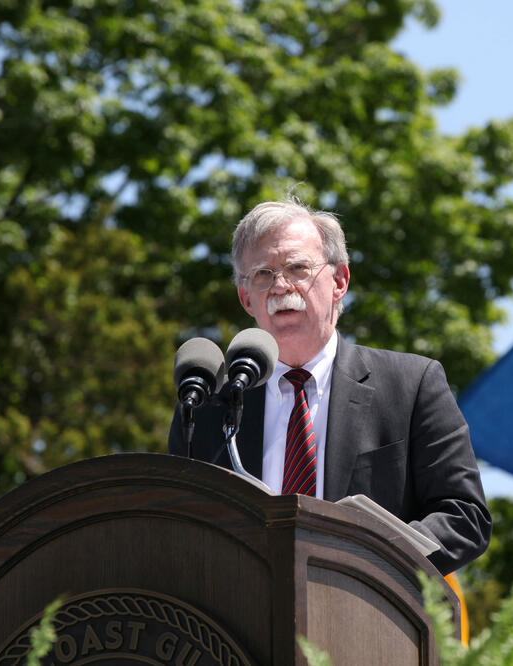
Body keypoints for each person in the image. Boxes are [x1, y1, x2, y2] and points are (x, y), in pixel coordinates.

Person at [168, 199, 490, 574]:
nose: (280, 286)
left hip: (367, 603)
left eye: (297, 268)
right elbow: (178, 529)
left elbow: (463, 516)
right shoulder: (209, 403)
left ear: (339, 281)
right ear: (246, 299)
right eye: (262, 274)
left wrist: (366, 562)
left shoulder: (411, 384)